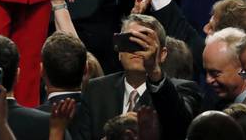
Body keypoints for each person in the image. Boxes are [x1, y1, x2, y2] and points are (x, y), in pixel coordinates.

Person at [72, 14, 202, 140]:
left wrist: (154, 70)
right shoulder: (95, 89)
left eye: (144, 43)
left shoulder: (182, 89)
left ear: (162, 54)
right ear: (119, 51)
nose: (137, 50)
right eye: (130, 41)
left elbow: (181, 127)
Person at [202, 28, 246, 114]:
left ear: (243, 69)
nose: (208, 80)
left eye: (215, 73)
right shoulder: (220, 104)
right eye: (206, 72)